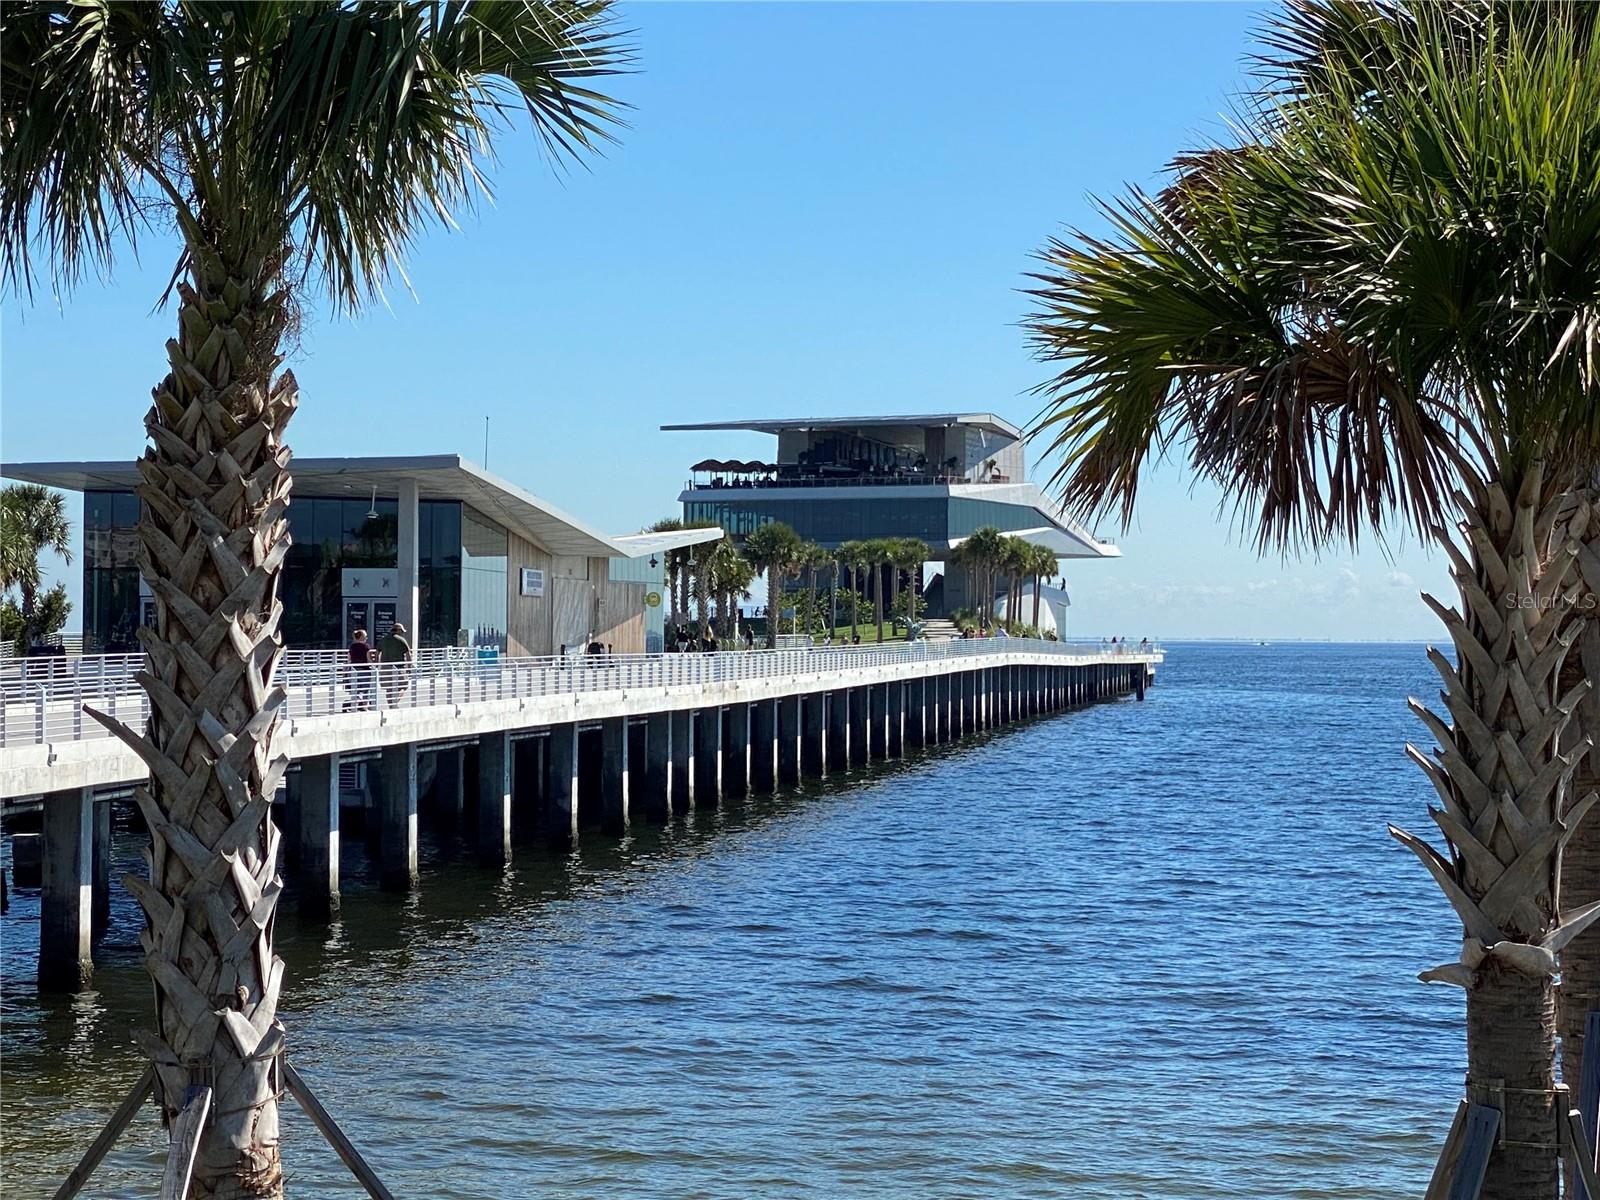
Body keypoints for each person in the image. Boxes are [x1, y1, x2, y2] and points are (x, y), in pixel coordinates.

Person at [377, 622, 412, 706]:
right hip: (398, 668)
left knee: (389, 689)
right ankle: (394, 703)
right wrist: (409, 667)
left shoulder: (383, 639)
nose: (402, 633)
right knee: (403, 686)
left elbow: (377, 653)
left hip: (385, 667)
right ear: (398, 630)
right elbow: (408, 655)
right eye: (402, 631)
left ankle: (391, 706)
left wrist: (377, 665)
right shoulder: (401, 640)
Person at [346, 628, 375, 711]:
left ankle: (353, 706)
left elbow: (349, 659)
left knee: (355, 689)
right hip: (364, 670)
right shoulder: (366, 647)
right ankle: (364, 706)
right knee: (366, 689)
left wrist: (346, 670)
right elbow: (369, 659)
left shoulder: (352, 646)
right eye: (365, 636)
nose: (366, 638)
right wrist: (374, 665)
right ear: (362, 637)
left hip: (353, 670)